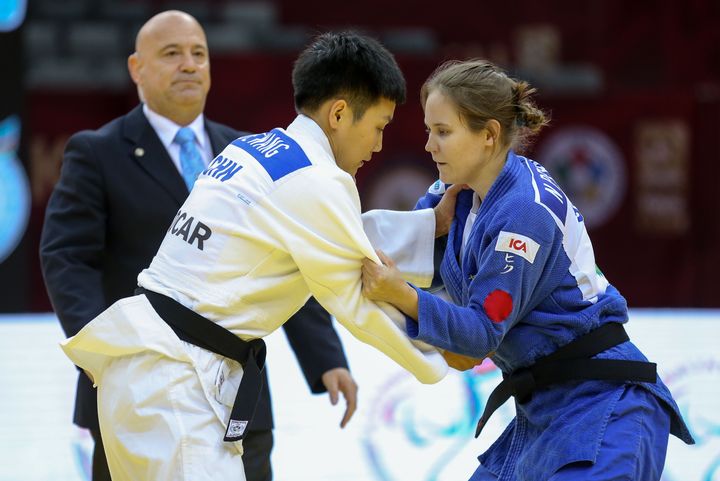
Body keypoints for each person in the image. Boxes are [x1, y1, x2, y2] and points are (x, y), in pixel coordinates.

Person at [57, 30, 449, 481]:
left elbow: (331, 237)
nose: (378, 146)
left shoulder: (255, 151)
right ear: (340, 113)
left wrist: (427, 226)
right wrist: (451, 347)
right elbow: (358, 295)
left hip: (145, 371)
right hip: (177, 385)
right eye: (378, 127)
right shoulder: (316, 181)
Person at [360, 59, 694, 481]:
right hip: (542, 411)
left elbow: (479, 334)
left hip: (604, 408)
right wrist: (433, 229)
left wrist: (401, 295)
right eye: (429, 130)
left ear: (488, 135)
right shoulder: (455, 191)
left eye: (443, 132)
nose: (429, 145)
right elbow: (394, 251)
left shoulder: (523, 213)